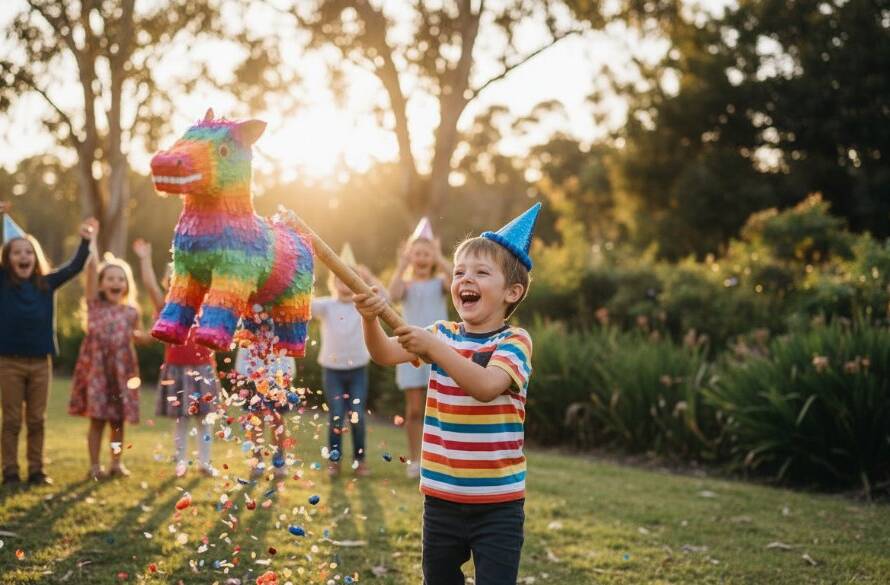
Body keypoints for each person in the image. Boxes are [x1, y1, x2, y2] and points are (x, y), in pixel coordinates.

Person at [355, 204, 541, 585]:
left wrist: (434, 348)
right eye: (459, 272)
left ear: (512, 291)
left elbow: (487, 386)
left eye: (480, 272)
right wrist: (370, 318)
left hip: (499, 505)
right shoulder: (441, 333)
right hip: (441, 500)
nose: (464, 279)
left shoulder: (514, 341)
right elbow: (385, 353)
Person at [0, 201, 97, 486]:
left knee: (37, 420)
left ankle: (37, 470)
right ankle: (10, 470)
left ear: (35, 256)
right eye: (17, 252)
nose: (23, 256)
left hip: (41, 362)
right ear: (7, 259)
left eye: (28, 252)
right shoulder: (3, 283)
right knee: (12, 419)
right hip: (8, 361)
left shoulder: (47, 283)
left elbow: (75, 266)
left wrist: (86, 240)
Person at [133, 238, 221, 477]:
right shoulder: (167, 308)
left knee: (205, 420)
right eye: (174, 279)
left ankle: (205, 463)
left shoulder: (205, 304)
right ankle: (180, 463)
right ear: (168, 283)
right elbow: (150, 285)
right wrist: (144, 259)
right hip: (177, 369)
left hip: (203, 368)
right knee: (181, 421)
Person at [68, 244, 152, 480]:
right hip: (97, 371)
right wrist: (93, 244)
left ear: (127, 285)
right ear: (102, 284)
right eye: (110, 278)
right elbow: (92, 271)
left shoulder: (131, 312)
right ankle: (94, 466)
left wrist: (150, 335)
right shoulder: (94, 305)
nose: (116, 283)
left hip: (122, 372)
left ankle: (116, 463)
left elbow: (142, 337)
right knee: (97, 420)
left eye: (121, 279)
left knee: (117, 421)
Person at [312, 244, 384, 478]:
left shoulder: (363, 304)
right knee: (335, 415)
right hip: (332, 371)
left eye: (349, 279)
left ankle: (359, 461)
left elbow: (386, 297)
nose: (344, 284)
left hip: (357, 371)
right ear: (333, 282)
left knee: (357, 414)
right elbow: (305, 305)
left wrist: (369, 277)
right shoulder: (326, 305)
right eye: (339, 279)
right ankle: (334, 461)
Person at [387, 218, 452, 478]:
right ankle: (415, 460)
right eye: (418, 253)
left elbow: (456, 278)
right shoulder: (407, 285)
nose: (423, 258)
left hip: (440, 349)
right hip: (411, 350)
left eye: (427, 253)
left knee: (442, 408)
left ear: (432, 256)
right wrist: (402, 265)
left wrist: (440, 256)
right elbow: (391, 295)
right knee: (414, 410)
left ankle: (441, 460)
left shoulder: (440, 283)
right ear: (411, 256)